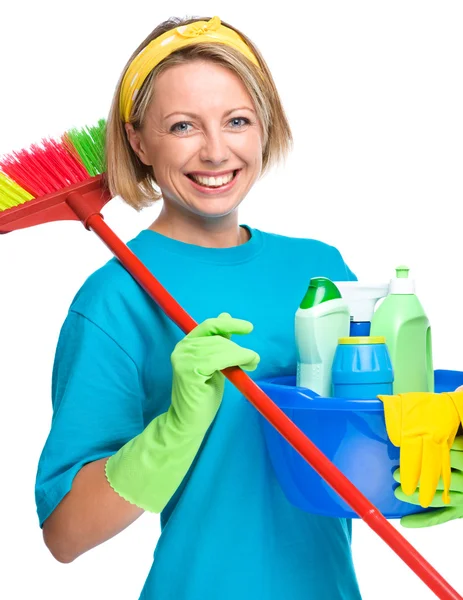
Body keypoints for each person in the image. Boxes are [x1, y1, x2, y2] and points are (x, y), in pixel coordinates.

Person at [34, 14, 462, 600]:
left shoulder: (319, 270)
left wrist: (414, 481)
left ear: (264, 126)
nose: (216, 152)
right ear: (139, 141)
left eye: (237, 120)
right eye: (183, 125)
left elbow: (354, 446)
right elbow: (64, 534)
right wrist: (175, 429)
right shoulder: (114, 299)